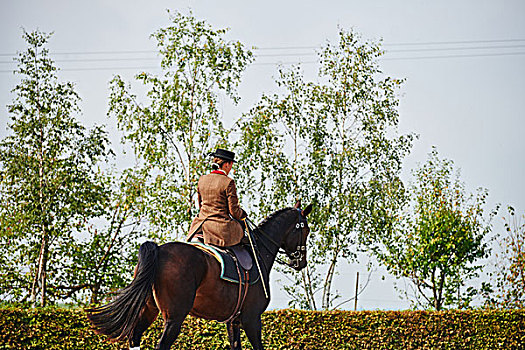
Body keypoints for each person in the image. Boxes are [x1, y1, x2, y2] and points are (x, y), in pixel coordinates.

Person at [187, 148, 247, 247]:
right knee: (241, 229)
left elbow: (200, 205)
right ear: (227, 164)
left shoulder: (202, 180)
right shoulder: (228, 182)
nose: (231, 168)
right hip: (219, 228)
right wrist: (243, 215)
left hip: (199, 225)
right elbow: (234, 212)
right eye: (231, 165)